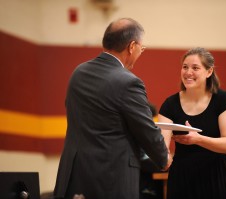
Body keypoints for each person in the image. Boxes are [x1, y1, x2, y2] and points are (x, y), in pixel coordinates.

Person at [53, 18, 172, 199]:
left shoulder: (78, 73)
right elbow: (146, 129)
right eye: (142, 47)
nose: (141, 52)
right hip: (111, 180)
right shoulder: (129, 82)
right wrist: (164, 159)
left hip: (74, 178)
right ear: (132, 46)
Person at [158, 47, 226, 199]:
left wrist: (198, 139)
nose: (188, 72)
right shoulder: (170, 104)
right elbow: (163, 143)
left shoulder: (222, 100)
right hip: (182, 177)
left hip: (216, 175)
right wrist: (164, 156)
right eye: (185, 67)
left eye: (195, 68)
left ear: (209, 72)